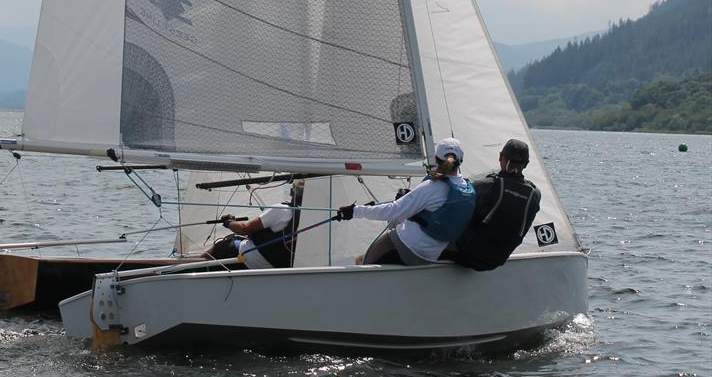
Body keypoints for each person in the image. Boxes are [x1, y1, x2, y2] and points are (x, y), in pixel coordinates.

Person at [337, 139, 475, 266]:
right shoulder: (468, 190)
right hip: (430, 256)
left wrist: (355, 211)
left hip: (407, 248)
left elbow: (393, 211)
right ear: (460, 160)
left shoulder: (431, 187)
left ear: (436, 159)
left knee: (360, 260)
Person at [447, 138, 541, 271]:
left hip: (466, 255)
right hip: (497, 260)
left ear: (500, 157)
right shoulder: (535, 195)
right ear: (526, 164)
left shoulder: (486, 185)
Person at [203, 180, 304, 269]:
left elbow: (244, 229)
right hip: (272, 267)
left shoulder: (282, 211)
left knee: (217, 249)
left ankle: (189, 268)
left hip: (245, 258)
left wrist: (228, 222)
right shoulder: (310, 218)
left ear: (291, 192)